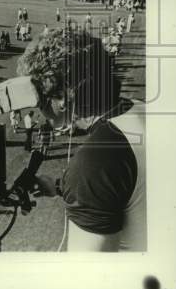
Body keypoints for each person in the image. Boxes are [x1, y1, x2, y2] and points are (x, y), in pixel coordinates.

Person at [18, 29, 145, 251]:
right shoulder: (140, 108)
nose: (39, 111)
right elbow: (121, 187)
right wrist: (58, 186)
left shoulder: (95, 162)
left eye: (38, 101)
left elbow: (87, 278)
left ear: (63, 98)